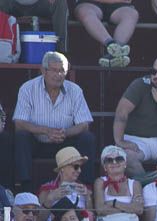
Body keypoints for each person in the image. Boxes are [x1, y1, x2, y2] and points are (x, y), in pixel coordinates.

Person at [12, 52, 96, 192]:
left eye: (62, 70)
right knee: (21, 137)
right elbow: (19, 123)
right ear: (43, 71)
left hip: (66, 143)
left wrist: (65, 132)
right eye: (55, 70)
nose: (59, 75)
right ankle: (24, 188)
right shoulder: (28, 88)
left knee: (88, 138)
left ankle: (86, 187)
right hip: (38, 141)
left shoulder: (75, 91)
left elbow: (84, 124)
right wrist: (45, 130)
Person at [38, 147, 93, 221]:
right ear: (63, 168)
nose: (79, 170)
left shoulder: (83, 189)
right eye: (76, 166)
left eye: (80, 167)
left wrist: (87, 198)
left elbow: (90, 217)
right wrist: (50, 200)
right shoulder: (47, 190)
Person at [74, 0, 137, 68]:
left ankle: (117, 50)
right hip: (89, 4)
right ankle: (111, 45)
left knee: (131, 14)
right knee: (85, 12)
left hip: (120, 6)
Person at [0, 0, 67, 53]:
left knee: (60, 2)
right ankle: (3, 52)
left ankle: (60, 52)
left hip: (40, 4)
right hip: (12, 3)